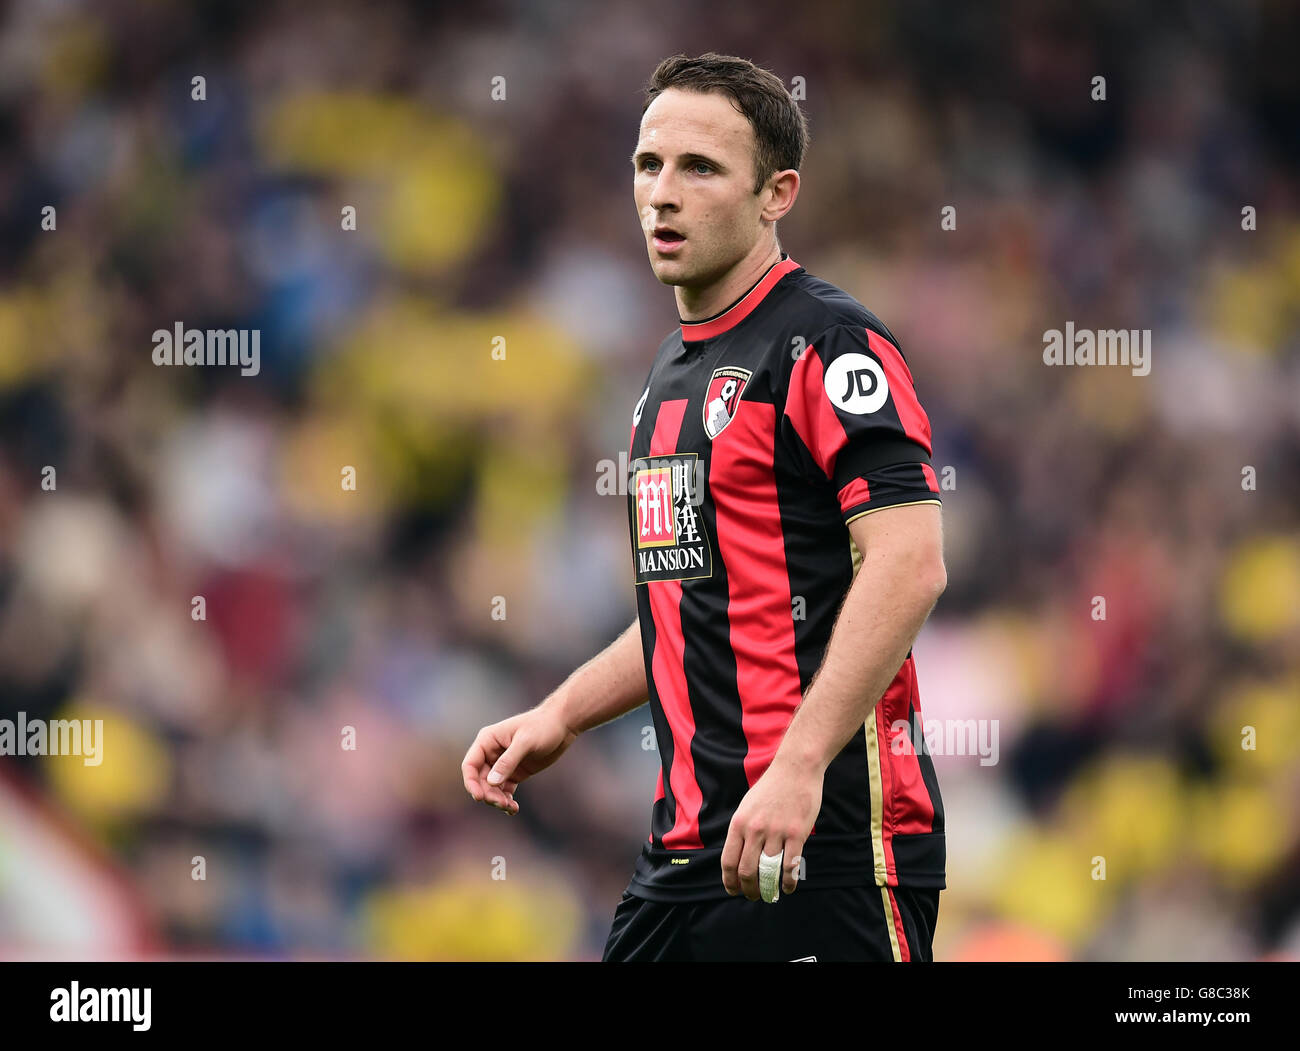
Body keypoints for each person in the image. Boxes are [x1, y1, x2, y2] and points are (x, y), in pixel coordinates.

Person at [462, 52, 947, 962]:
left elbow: (911, 561)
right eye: (649, 165)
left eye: (701, 168)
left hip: (825, 842)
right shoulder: (667, 376)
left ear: (777, 194)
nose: (663, 194)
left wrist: (799, 766)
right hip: (690, 849)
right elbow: (691, 605)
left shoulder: (829, 343)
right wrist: (561, 713)